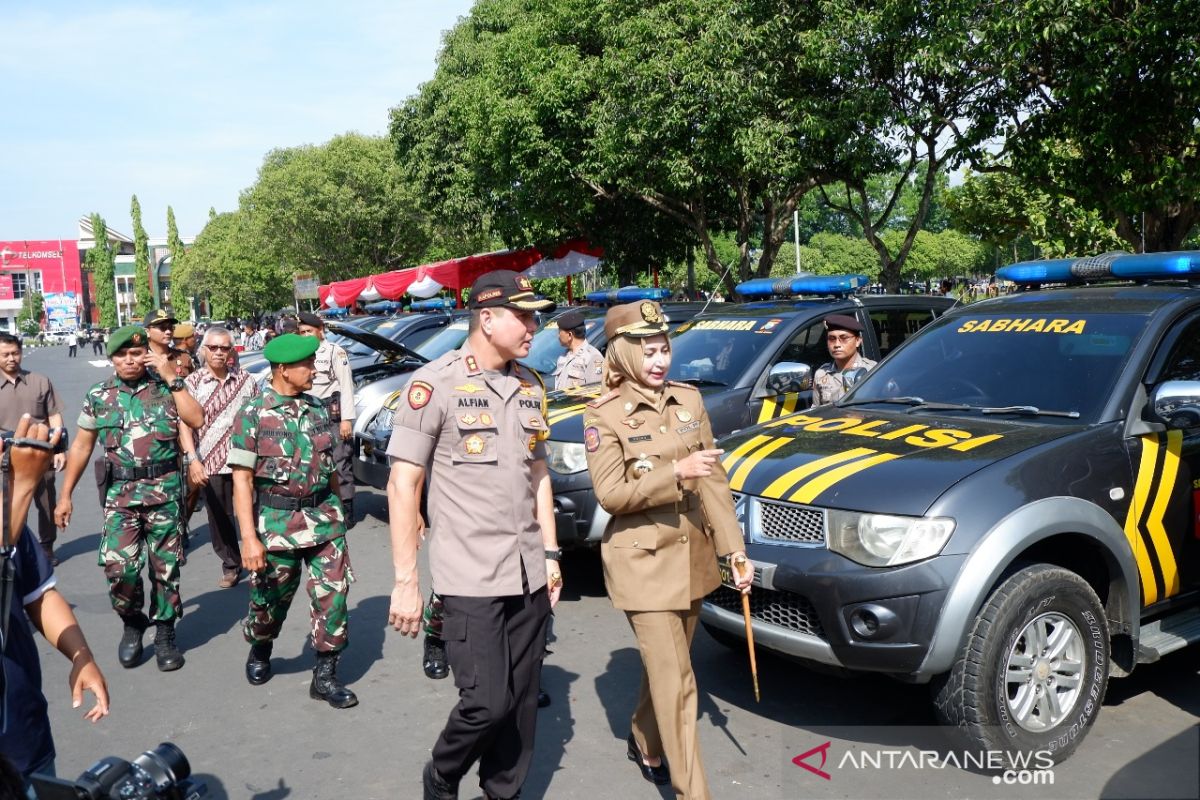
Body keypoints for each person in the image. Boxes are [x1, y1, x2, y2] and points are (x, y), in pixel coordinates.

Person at [386, 270, 562, 800]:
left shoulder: (531, 384)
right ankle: (442, 773)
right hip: (471, 576)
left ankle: (499, 792)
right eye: (524, 315)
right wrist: (405, 581)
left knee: (522, 703)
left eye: (536, 315)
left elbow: (539, 475)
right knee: (486, 701)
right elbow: (403, 483)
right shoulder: (432, 385)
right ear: (487, 318)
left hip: (529, 570)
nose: (535, 325)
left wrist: (551, 554)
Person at [583, 300, 753, 800]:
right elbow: (611, 493)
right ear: (623, 354)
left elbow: (714, 483)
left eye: (663, 349)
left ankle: (643, 735)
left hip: (693, 559)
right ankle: (692, 792)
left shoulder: (688, 401)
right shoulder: (604, 415)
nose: (659, 361)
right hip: (642, 564)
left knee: (668, 668)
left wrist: (734, 551)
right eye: (647, 351)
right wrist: (672, 473)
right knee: (679, 683)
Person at [54, 324, 204, 672]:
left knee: (166, 570)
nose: (130, 360)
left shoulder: (167, 387)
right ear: (112, 359)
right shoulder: (99, 395)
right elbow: (80, 446)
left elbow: (195, 418)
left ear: (146, 354)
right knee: (119, 569)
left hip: (165, 493)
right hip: (121, 497)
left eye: (137, 353)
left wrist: (171, 376)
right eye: (122, 355)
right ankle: (133, 621)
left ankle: (165, 631)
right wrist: (65, 495)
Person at [228, 333, 357, 708]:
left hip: (324, 519)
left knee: (333, 597)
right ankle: (260, 646)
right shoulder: (252, 414)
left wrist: (340, 510)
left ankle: (326, 676)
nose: (313, 370)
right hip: (278, 522)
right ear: (283, 369)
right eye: (306, 365)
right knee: (271, 600)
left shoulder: (317, 408)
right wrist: (249, 539)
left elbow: (330, 466)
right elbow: (241, 480)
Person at [0, 417, 109, 789]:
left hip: (23, 731)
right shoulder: (8, 513)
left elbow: (39, 594)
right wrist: (25, 486)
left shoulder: (5, 516)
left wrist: (81, 656)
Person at [183, 326, 260, 588]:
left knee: (255, 513)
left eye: (224, 348)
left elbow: (260, 415)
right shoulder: (191, 383)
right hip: (211, 461)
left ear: (231, 351)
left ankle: (260, 562)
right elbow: (184, 425)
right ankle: (231, 564)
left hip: (247, 461)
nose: (218, 353)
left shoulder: (247, 381)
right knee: (220, 519)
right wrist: (192, 459)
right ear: (203, 350)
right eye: (213, 347)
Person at [0, 332, 66, 565]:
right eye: (5, 354)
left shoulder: (40, 381)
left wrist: (59, 449)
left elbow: (54, 416)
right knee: (11, 503)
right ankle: (15, 545)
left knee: (46, 503)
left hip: (41, 453)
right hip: (6, 456)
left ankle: (47, 548)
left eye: (15, 353)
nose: (11, 358)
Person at [296, 311, 357, 526]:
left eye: (309, 331)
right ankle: (323, 507)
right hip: (309, 415)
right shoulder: (302, 355)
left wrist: (347, 420)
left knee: (340, 461)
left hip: (332, 415)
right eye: (301, 332)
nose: (304, 335)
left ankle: (346, 508)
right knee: (313, 463)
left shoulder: (334, 352)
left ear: (320, 331)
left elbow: (347, 386)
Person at [810, 314, 877, 407]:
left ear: (858, 341)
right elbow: (816, 411)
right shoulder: (821, 374)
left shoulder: (873, 371)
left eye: (844, 338)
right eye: (832, 339)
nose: (837, 344)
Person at [552, 308, 604, 391]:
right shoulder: (564, 356)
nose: (558, 336)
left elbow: (595, 392)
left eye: (559, 332)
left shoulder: (593, 357)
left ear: (569, 335)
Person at [144, 308, 195, 378]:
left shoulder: (183, 357)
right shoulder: (141, 358)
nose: (168, 332)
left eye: (171, 328)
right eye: (162, 327)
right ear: (147, 331)